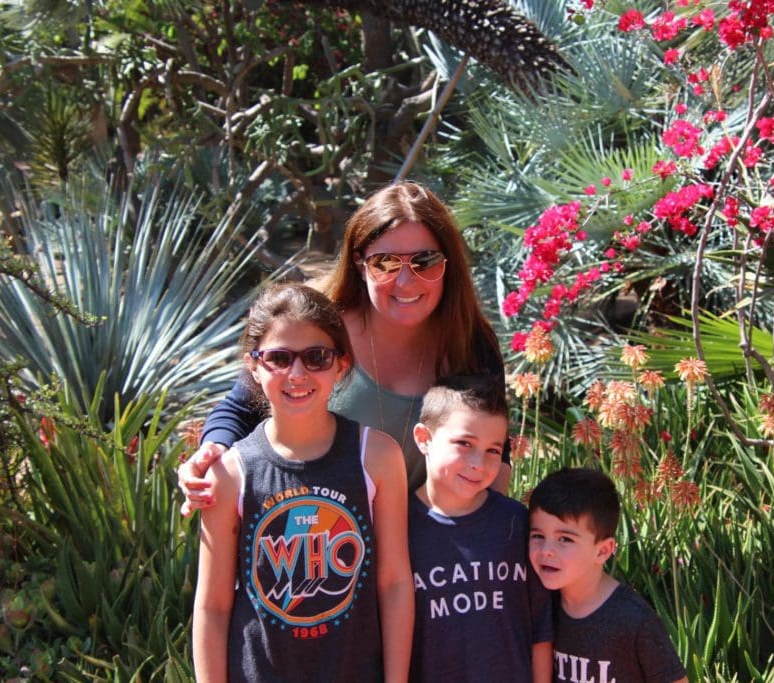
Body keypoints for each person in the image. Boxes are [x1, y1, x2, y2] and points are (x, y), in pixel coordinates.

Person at [181, 181, 510, 513]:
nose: (406, 281)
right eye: (385, 263)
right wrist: (211, 452)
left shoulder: (470, 342)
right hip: (314, 543)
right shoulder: (314, 325)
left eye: (425, 261)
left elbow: (497, 452)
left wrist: (485, 538)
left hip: (424, 551)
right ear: (359, 264)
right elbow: (240, 409)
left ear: (448, 264)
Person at [192, 282, 413, 682]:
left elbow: (395, 582)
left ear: (341, 365)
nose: (297, 373)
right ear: (254, 367)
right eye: (279, 358)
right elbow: (212, 605)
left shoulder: (378, 458)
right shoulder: (229, 474)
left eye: (316, 357)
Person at [408, 374, 553, 683]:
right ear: (424, 439)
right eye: (465, 443)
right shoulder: (398, 527)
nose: (479, 463)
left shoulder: (516, 522)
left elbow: (542, 626)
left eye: (493, 450)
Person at [528, 468, 688, 683]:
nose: (546, 549)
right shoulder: (543, 604)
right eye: (538, 535)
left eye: (565, 539)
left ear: (603, 550)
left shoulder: (633, 619)